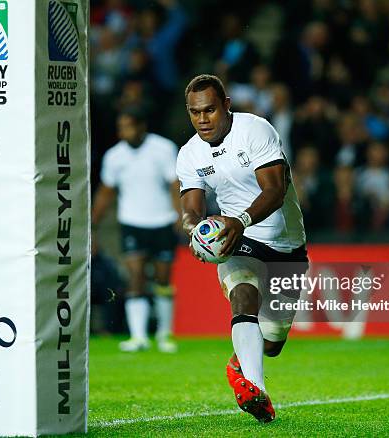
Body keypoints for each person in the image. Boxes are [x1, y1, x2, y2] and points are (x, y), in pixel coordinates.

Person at [177, 74, 308, 423]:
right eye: (194, 112)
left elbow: (275, 191)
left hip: (284, 242)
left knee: (274, 340)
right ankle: (256, 390)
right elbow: (190, 210)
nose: (202, 119)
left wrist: (241, 220)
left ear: (226, 106)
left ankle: (240, 362)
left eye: (209, 110)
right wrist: (196, 231)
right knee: (244, 297)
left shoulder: (255, 130)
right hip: (237, 239)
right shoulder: (189, 153)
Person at [92, 108, 181, 353]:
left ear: (142, 126)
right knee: (136, 276)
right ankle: (138, 336)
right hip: (132, 222)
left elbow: (175, 184)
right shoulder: (114, 156)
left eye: (127, 126)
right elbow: (106, 191)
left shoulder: (163, 148)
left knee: (163, 279)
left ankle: (165, 334)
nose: (123, 132)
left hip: (162, 220)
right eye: (120, 127)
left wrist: (181, 215)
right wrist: (93, 225)